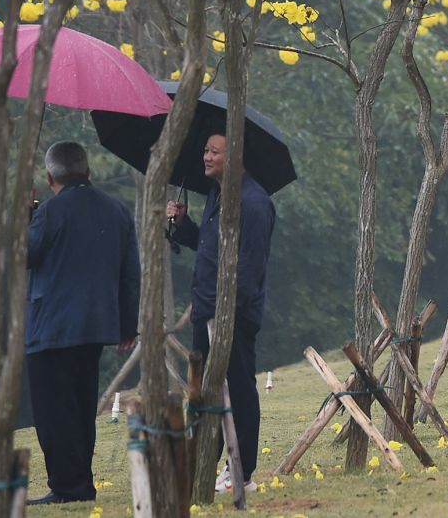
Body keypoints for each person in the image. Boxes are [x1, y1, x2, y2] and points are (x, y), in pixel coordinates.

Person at [25, 142, 140, 505]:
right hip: (95, 325)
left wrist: (27, 215)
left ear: (49, 177)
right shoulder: (117, 210)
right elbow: (130, 274)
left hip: (52, 328)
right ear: (88, 172)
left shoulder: (49, 212)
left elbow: (26, 254)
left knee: (53, 411)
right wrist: (127, 324)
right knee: (80, 406)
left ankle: (67, 486)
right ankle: (80, 483)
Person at [166, 133, 274, 486]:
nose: (206, 156)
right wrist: (182, 225)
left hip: (233, 314)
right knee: (200, 388)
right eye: (206, 149)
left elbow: (250, 266)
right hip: (205, 307)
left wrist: (229, 314)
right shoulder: (216, 194)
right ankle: (199, 461)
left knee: (238, 387)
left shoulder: (254, 202)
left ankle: (241, 470)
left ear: (236, 157)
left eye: (214, 151)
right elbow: (208, 247)